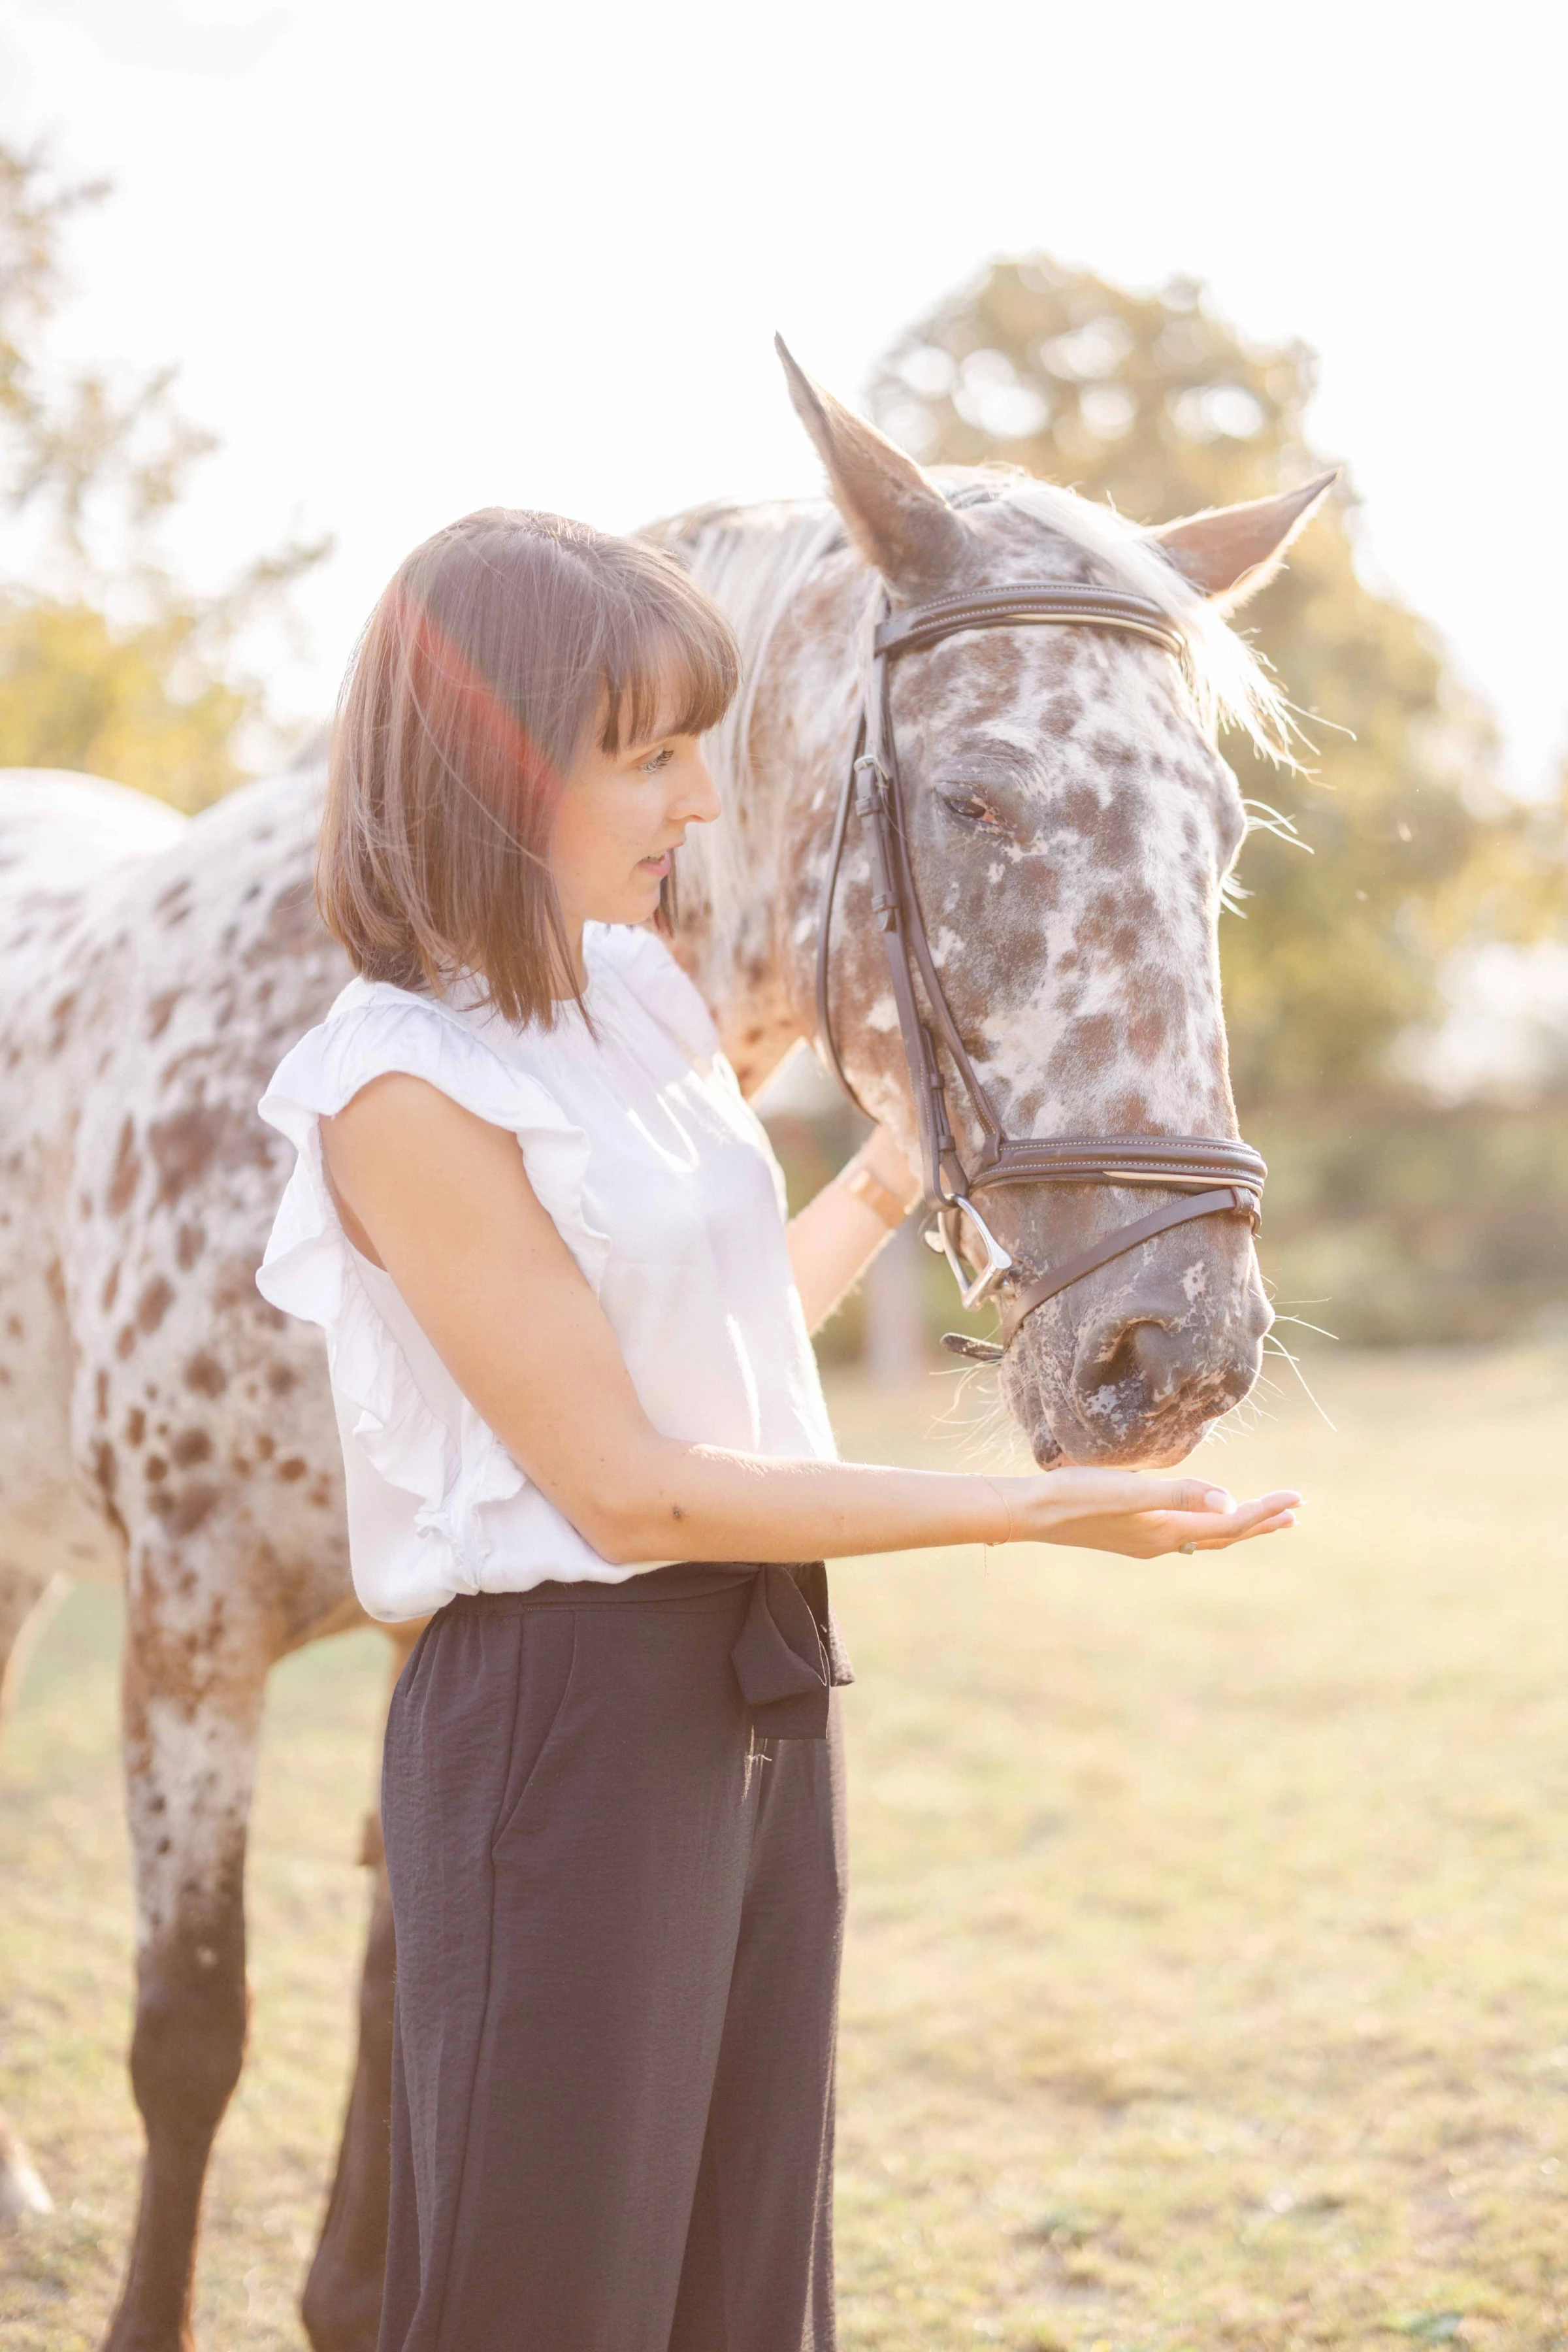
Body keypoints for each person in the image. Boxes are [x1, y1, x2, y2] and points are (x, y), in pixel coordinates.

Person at [255, 506, 1299, 2352]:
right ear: (488, 767)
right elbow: (628, 1481)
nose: (700, 805)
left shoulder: (629, 1001)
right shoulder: (400, 1084)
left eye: (696, 752)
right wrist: (1024, 1515)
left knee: (741, 2281)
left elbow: (705, 1345)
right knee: (550, 2296)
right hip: (558, 1727)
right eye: (646, 758)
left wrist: (896, 1179)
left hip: (753, 1685)